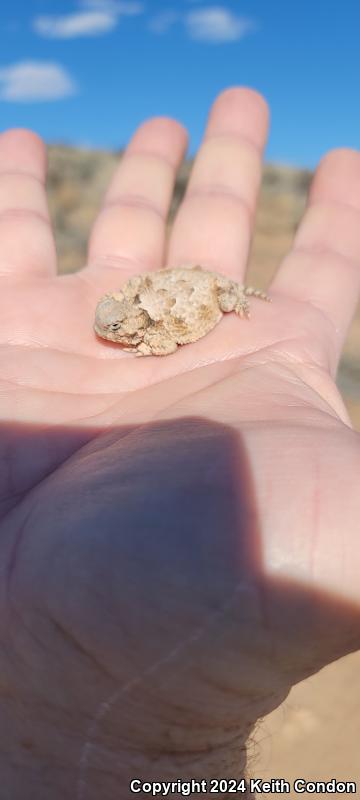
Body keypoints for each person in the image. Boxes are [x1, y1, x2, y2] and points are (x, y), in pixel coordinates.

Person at [0, 86, 359, 799]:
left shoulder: (154, 320)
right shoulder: (123, 313)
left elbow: (173, 321)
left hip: (188, 293)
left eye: (116, 330)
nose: (109, 334)